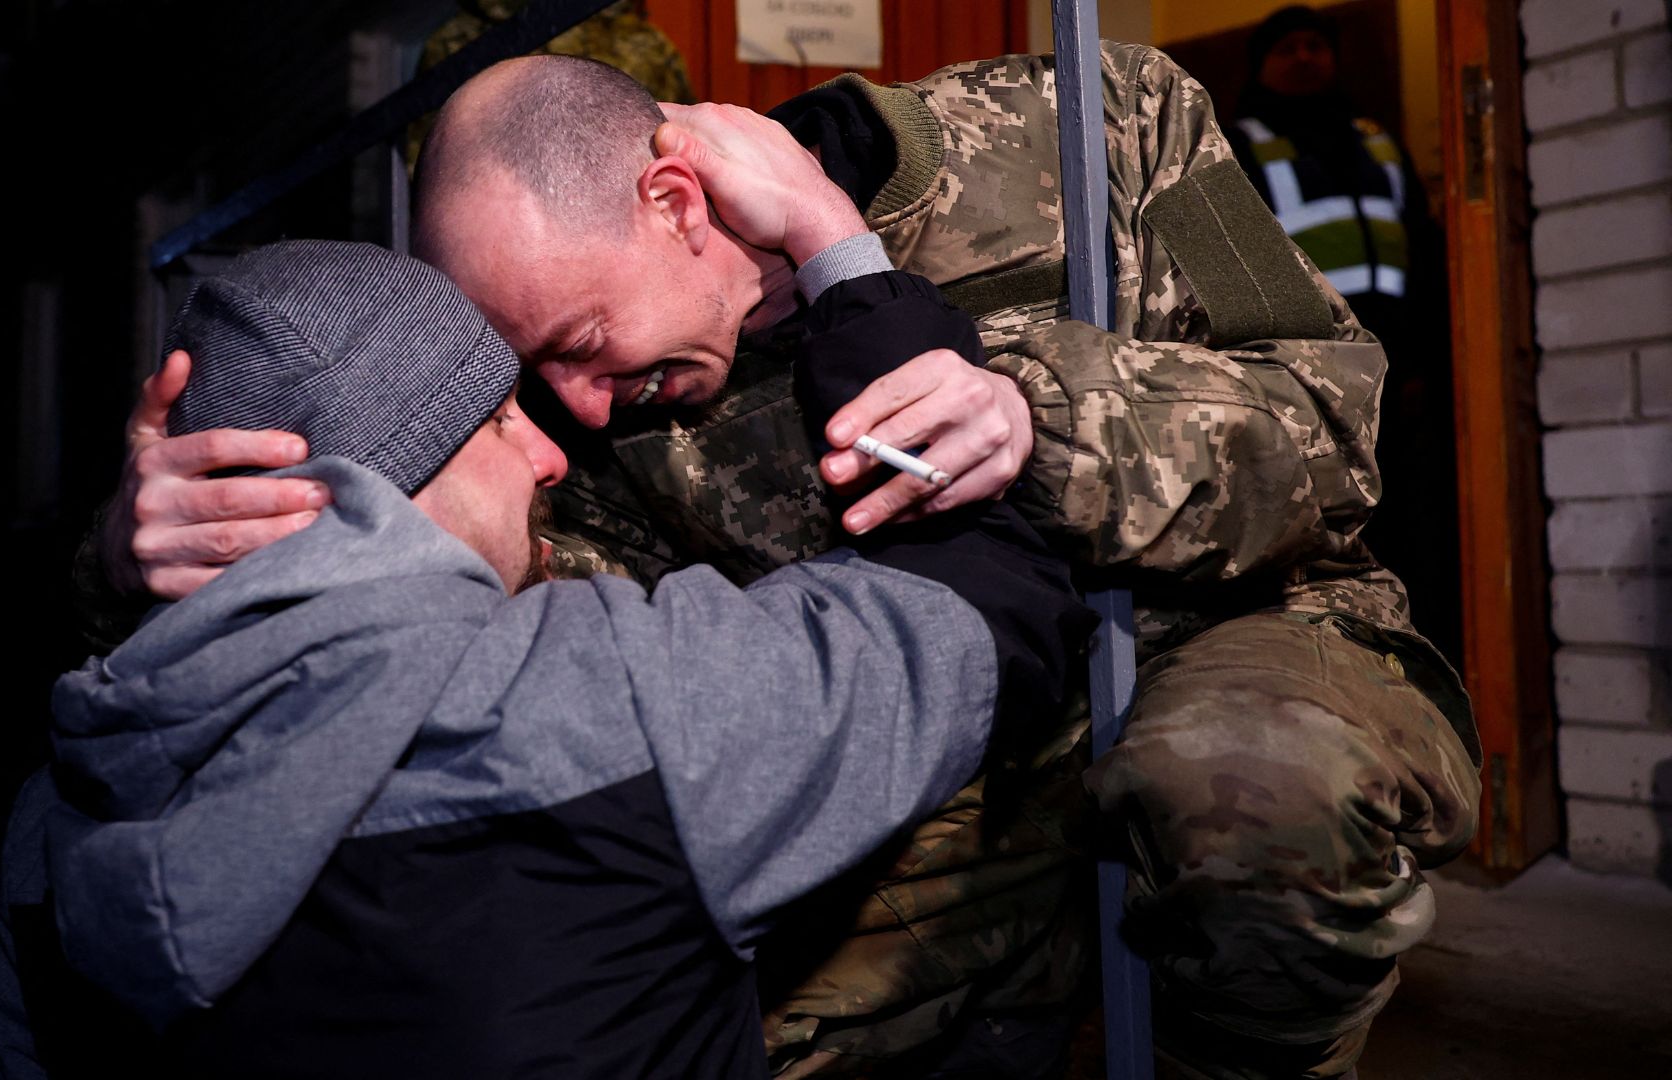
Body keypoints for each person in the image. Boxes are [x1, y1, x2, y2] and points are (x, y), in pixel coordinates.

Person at [93, 49, 1483, 1080]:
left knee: (1246, 799)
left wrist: (1032, 415)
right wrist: (153, 556)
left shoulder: (1098, 117)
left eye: (578, 342)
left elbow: (1336, 424)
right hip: (927, 735)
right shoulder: (610, 408)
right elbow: (467, 670)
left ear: (674, 197)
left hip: (1226, 632)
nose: (572, 410)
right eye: (534, 373)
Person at [0, 240, 1097, 1078]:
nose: (549, 454)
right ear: (381, 487)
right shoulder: (608, 698)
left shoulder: (59, 817)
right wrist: (844, 259)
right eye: (492, 419)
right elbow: (997, 605)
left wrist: (112, 574)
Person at [1227, 4, 1461, 660]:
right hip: (1305, 380)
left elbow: (1426, 254)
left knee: (1411, 535)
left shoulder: (1377, 141)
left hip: (1400, 377)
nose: (1305, 58)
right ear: (1262, 65)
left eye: (1316, 45)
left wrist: (1423, 364)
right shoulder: (1237, 142)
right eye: (1288, 48)